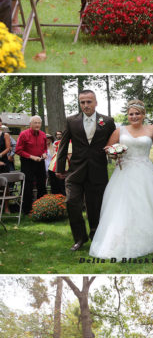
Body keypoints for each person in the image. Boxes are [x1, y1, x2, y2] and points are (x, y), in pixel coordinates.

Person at [89, 99, 153, 260]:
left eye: (137, 113)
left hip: (145, 172)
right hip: (124, 173)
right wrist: (114, 153)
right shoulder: (120, 131)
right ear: (127, 115)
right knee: (123, 207)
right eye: (131, 114)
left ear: (143, 115)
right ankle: (122, 238)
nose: (134, 117)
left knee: (149, 204)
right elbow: (108, 149)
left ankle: (152, 237)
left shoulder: (151, 129)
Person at [56, 89, 115, 251]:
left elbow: (114, 143)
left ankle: (95, 235)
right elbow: (63, 145)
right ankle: (79, 238)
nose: (86, 105)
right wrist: (60, 168)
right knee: (71, 202)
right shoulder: (71, 121)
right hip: (75, 170)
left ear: (96, 102)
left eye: (89, 101)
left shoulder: (107, 121)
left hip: (97, 170)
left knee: (95, 206)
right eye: (82, 102)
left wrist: (117, 155)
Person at [15, 115, 47, 214]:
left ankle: (42, 208)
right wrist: (31, 156)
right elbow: (18, 150)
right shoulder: (24, 134)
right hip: (27, 161)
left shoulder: (43, 134)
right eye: (35, 123)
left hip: (40, 161)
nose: (37, 125)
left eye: (39, 123)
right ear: (30, 124)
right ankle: (27, 210)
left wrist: (44, 153)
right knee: (28, 186)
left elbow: (45, 147)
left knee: (42, 184)